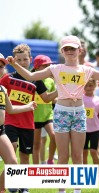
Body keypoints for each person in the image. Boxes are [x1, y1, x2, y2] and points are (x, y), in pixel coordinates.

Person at [6, 35, 99, 193]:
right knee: (62, 155)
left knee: (77, 155)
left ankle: (77, 190)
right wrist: (14, 64)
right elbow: (31, 76)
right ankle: (61, 190)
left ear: (79, 51)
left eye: (73, 48)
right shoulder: (56, 69)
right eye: (66, 48)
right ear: (62, 51)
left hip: (79, 114)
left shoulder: (86, 70)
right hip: (61, 112)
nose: (69, 51)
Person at [1, 44, 58, 193]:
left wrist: (62, 89)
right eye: (18, 60)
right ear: (14, 61)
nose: (22, 62)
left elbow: (46, 98)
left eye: (25, 59)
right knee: (12, 149)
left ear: (30, 60)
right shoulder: (8, 78)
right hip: (10, 120)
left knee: (25, 156)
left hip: (27, 124)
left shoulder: (36, 80)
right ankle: (11, 181)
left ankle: (23, 186)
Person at [0, 54, 37, 193]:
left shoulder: (2, 90)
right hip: (9, 126)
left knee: (13, 162)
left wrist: (28, 107)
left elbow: (10, 109)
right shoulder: (5, 83)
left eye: (2, 67)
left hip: (1, 131)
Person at [32, 55, 57, 165]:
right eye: (45, 66)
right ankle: (36, 167)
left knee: (54, 136)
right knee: (36, 144)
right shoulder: (31, 80)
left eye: (49, 66)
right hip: (35, 117)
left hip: (48, 116)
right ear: (37, 67)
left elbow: (53, 98)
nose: (48, 68)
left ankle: (50, 160)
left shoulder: (50, 81)